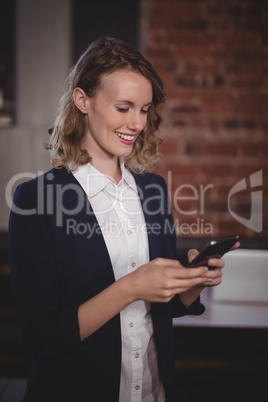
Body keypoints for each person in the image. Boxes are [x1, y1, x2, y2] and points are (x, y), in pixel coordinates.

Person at [8, 37, 239, 402]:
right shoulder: (35, 200)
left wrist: (192, 282)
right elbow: (42, 336)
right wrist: (130, 287)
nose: (137, 123)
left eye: (145, 109)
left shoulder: (153, 191)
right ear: (82, 100)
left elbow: (159, 311)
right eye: (123, 107)